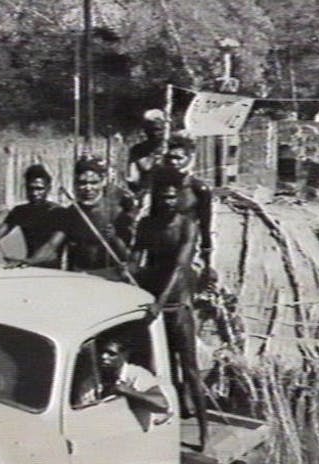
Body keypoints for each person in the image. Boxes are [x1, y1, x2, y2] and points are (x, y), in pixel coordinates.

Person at [129, 165, 208, 449]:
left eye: (173, 197)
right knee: (156, 367)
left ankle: (203, 433)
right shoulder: (147, 225)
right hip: (152, 302)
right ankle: (166, 424)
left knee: (189, 370)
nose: (168, 202)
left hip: (176, 305)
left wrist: (160, 302)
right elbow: (136, 260)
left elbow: (178, 266)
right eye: (163, 197)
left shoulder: (189, 225)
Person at [20, 158, 132, 277]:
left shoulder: (116, 212)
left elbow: (128, 255)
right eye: (82, 183)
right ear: (75, 184)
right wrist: (29, 261)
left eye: (93, 182)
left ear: (102, 182)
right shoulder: (71, 213)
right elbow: (52, 245)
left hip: (110, 275)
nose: (88, 188)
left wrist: (114, 238)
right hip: (79, 275)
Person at [0, 164, 61, 267]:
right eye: (30, 188)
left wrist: (25, 262)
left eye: (39, 189)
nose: (34, 193)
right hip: (29, 268)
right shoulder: (20, 211)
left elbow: (51, 249)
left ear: (49, 189)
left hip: (53, 272)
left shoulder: (58, 212)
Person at [76, 338, 171, 417]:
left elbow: (162, 405)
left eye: (111, 354)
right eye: (101, 353)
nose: (104, 357)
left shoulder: (137, 374)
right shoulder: (91, 379)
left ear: (124, 355)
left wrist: (127, 391)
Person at [160, 133, 214, 271]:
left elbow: (205, 224)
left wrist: (207, 256)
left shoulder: (199, 189)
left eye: (178, 158)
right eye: (170, 157)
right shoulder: (161, 186)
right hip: (163, 238)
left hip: (188, 240)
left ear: (189, 159)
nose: (173, 162)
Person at [127, 109, 166, 199]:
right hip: (147, 192)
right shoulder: (138, 149)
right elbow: (135, 174)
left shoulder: (172, 147)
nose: (154, 133)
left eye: (158, 129)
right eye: (150, 129)